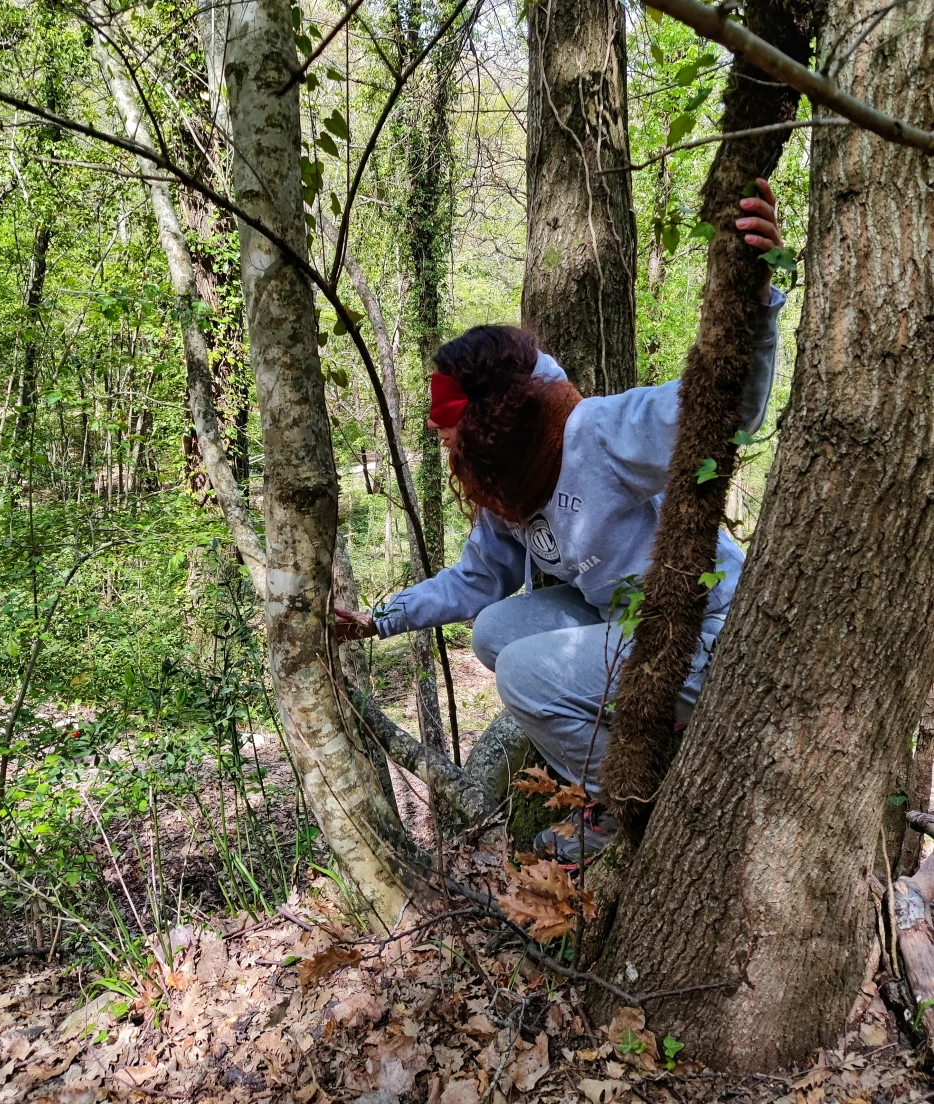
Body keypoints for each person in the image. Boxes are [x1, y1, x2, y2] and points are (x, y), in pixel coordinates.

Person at [336, 179, 786, 864]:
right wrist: (383, 618)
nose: (444, 445)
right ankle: (645, 748)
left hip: (709, 630)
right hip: (632, 630)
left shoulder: (597, 434)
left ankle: (634, 801)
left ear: (488, 422)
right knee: (496, 630)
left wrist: (757, 299)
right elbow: (476, 581)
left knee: (523, 674)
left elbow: (727, 411)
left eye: (450, 429)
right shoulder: (506, 483)